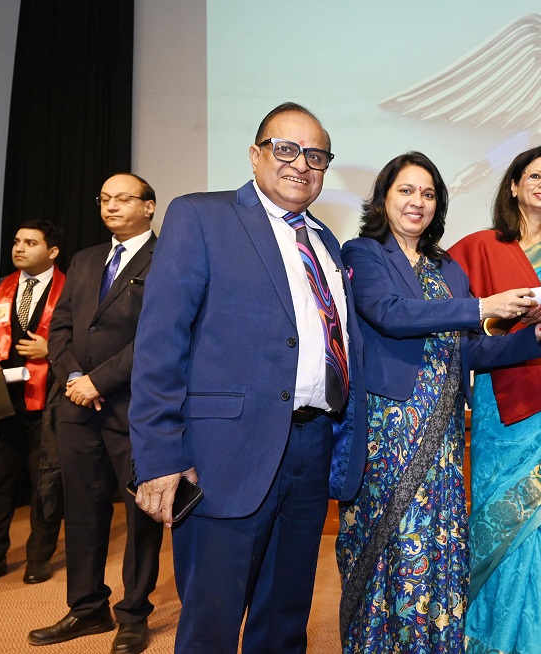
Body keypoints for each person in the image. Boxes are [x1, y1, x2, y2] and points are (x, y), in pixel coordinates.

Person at [128, 102, 367, 654]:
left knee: (284, 620)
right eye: (286, 149)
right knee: (211, 624)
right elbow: (160, 343)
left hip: (310, 448)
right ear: (255, 155)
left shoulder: (326, 242)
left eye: (316, 155)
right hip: (223, 456)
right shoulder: (200, 216)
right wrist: (160, 456)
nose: (301, 164)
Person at [336, 151, 541, 653]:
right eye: (406, 190)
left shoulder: (448, 268)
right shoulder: (364, 254)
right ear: (383, 198)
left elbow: (471, 349)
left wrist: (533, 335)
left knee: (437, 544)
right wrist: (483, 306)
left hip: (442, 437)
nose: (417, 202)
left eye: (429, 194)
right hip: (389, 433)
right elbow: (390, 313)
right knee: (391, 546)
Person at [447, 144, 541, 654]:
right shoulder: (479, 248)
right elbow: (453, 320)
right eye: (535, 176)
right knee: (499, 514)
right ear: (515, 185)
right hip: (499, 408)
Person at [29, 174, 162, 654]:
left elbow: (157, 337)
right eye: (105, 199)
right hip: (77, 406)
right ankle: (87, 609)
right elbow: (61, 327)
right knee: (83, 510)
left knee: (141, 514)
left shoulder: (167, 258)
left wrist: (99, 382)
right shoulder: (86, 259)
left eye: (123, 198)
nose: (111, 206)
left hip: (134, 408)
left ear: (149, 207)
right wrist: (73, 379)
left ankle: (133, 614)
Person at [0, 219, 65, 585]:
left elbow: (86, 341)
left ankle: (39, 557)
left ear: (52, 251)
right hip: (2, 402)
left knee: (44, 483)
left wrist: (51, 350)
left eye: (30, 243)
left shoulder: (70, 290)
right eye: (17, 241)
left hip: (48, 402)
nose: (19, 248)